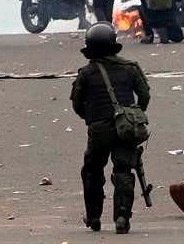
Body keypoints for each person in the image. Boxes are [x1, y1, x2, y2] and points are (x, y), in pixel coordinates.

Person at [71, 23, 151, 235]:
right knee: (124, 170)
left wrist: (92, 118)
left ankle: (94, 216)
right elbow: (144, 96)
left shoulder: (86, 73)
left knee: (92, 170)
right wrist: (132, 115)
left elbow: (77, 104)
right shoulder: (130, 68)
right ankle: (122, 217)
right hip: (125, 127)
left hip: (98, 129)